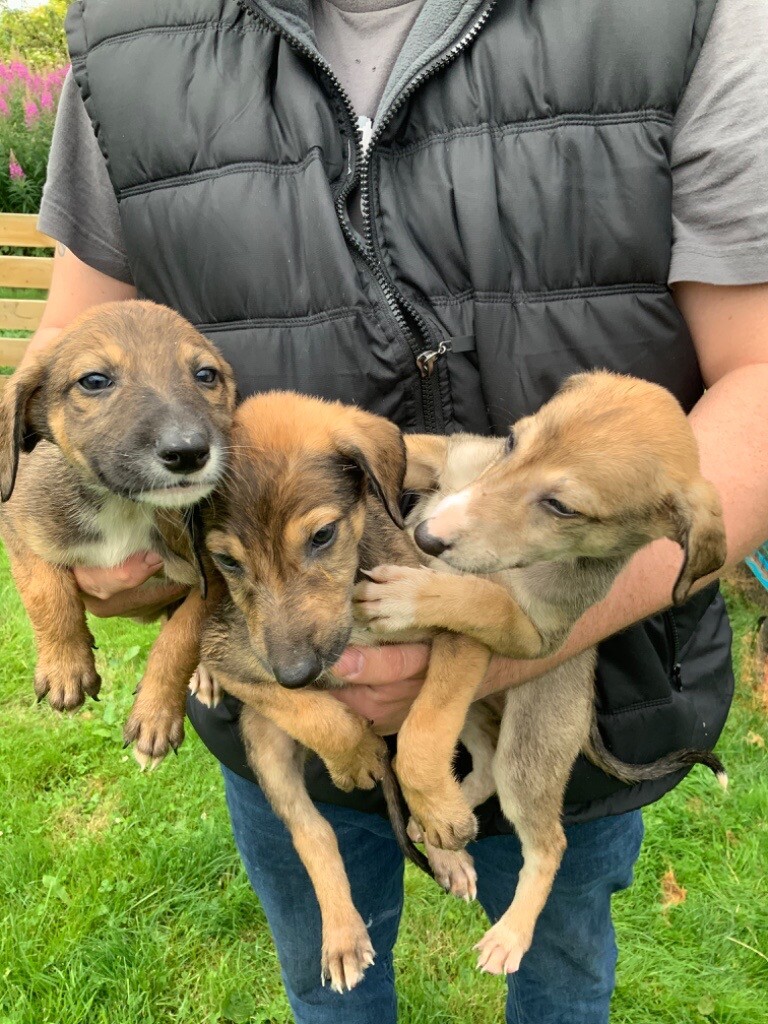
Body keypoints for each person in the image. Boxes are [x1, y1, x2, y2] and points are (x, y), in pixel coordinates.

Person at [25, 0, 768, 1020]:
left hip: (586, 687)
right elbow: (76, 355)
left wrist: (508, 639)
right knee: (332, 983)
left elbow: (760, 374)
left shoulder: (687, 14)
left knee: (558, 974)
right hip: (276, 713)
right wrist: (95, 553)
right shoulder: (129, 30)